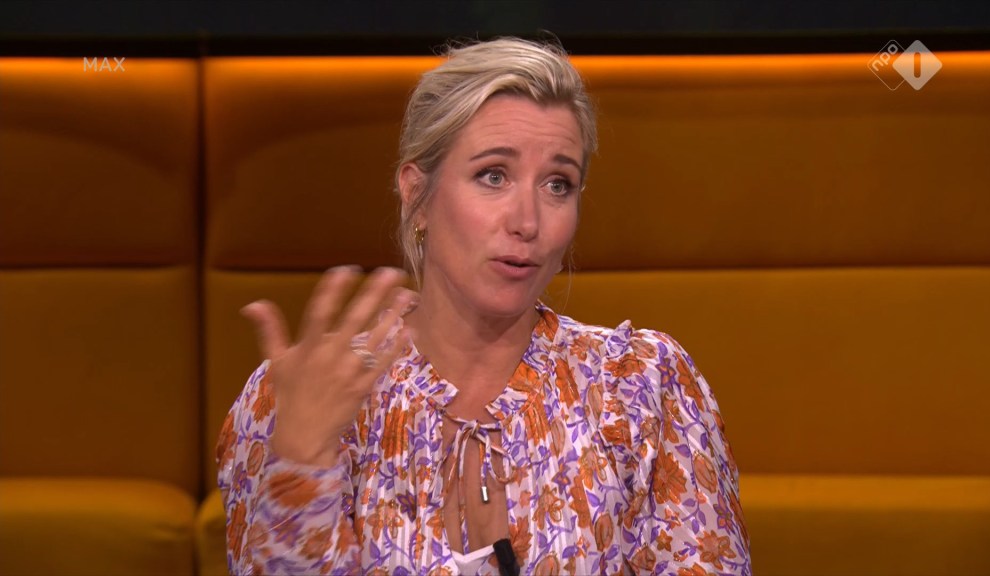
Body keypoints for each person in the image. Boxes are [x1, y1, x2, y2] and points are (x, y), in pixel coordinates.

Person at [217, 36, 751, 575]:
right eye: (493, 175)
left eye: (558, 184)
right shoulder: (300, 395)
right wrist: (302, 468)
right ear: (417, 194)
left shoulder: (642, 389)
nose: (528, 222)